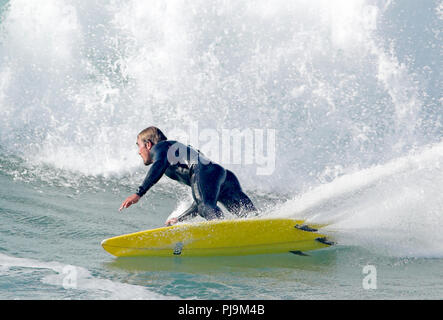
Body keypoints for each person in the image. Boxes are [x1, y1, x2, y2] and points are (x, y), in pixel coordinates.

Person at [119, 126, 257, 226]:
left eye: (139, 146)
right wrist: (180, 219)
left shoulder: (161, 147)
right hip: (221, 175)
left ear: (148, 144)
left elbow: (159, 164)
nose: (138, 152)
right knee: (248, 215)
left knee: (206, 206)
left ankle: (222, 231)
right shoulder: (178, 153)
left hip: (207, 172)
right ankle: (260, 227)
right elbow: (201, 199)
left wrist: (139, 193)